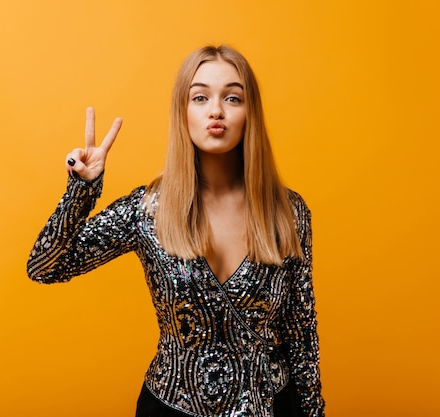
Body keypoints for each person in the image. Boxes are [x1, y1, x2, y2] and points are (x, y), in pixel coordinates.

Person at [27, 45, 325, 417]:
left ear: (251, 114)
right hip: (170, 408)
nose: (216, 110)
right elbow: (44, 266)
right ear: (183, 113)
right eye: (200, 97)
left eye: (232, 98)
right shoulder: (148, 210)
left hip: (271, 407)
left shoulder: (288, 212)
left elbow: (302, 338)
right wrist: (82, 189)